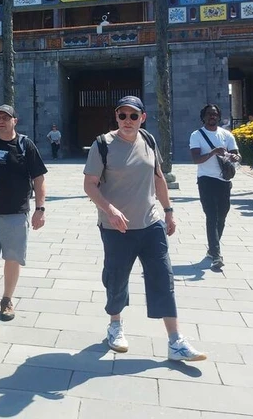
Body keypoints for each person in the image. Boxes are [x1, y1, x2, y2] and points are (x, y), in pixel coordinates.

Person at [83, 96, 206, 362]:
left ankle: (175, 341)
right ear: (116, 117)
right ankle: (115, 324)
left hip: (151, 224)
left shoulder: (148, 140)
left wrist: (169, 211)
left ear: (142, 118)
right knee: (116, 279)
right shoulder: (103, 144)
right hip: (117, 227)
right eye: (122, 115)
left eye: (133, 116)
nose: (127, 121)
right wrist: (110, 210)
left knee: (163, 277)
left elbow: (158, 177)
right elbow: (90, 184)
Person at [0, 105, 47, 321]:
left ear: (15, 121)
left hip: (16, 213)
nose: (1, 121)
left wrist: (40, 209)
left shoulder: (25, 145)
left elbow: (39, 178)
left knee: (13, 258)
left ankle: (7, 298)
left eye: (6, 118)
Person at [189, 104, 240, 271]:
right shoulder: (196, 135)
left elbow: (237, 155)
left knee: (222, 215)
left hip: (224, 181)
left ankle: (212, 249)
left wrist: (233, 156)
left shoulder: (226, 135)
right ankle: (217, 255)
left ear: (219, 116)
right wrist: (212, 152)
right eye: (209, 114)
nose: (212, 116)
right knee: (211, 215)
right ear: (203, 117)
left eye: (215, 114)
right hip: (206, 180)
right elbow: (196, 159)